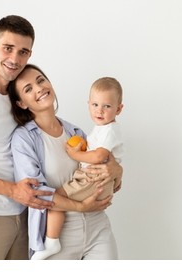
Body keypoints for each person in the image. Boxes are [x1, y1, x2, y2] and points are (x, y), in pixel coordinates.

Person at [0, 15, 119, 260]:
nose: (15, 59)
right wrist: (14, 191)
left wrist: (115, 169)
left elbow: (94, 160)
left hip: (25, 215)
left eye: (23, 51)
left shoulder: (16, 95)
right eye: (7, 48)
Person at [9, 64, 121, 260]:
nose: (39, 88)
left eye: (41, 80)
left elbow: (100, 167)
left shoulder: (75, 132)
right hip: (58, 235)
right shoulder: (24, 138)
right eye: (28, 89)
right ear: (21, 103)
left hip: (98, 228)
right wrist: (80, 207)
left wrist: (117, 170)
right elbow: (34, 194)